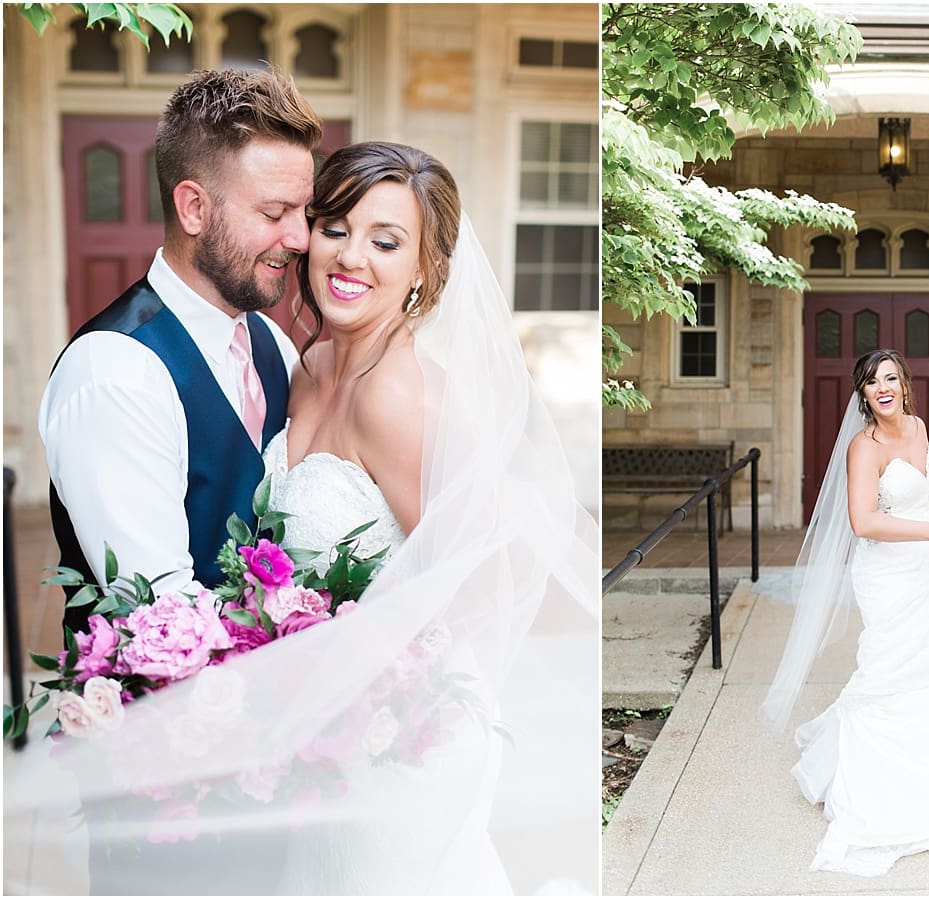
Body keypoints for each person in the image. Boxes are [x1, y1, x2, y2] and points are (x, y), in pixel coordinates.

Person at [6, 142, 599, 895]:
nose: (351, 256)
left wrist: (380, 696)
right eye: (334, 226)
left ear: (425, 269)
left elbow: (476, 579)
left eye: (387, 241)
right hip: (306, 749)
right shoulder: (300, 361)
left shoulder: (402, 399)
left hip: (391, 748)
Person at [39, 68, 321, 635]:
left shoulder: (270, 339)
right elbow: (160, 615)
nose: (301, 239)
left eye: (304, 213)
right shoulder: (115, 371)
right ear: (193, 208)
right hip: (159, 713)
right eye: (273, 214)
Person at [763, 348, 929, 877]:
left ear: (904, 384)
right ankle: (888, 789)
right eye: (872, 383)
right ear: (863, 394)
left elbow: (926, 494)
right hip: (890, 573)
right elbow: (864, 522)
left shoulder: (918, 427)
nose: (883, 388)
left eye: (891, 378)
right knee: (894, 671)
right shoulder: (862, 446)